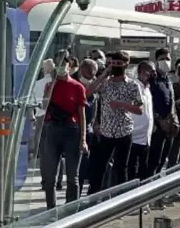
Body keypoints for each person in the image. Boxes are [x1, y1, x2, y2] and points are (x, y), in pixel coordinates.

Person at [88, 51, 143, 194]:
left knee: (121, 168)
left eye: (119, 64)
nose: (115, 67)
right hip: (106, 131)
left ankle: (120, 198)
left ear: (126, 65)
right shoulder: (105, 83)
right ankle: (93, 199)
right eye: (113, 64)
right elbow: (88, 92)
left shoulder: (132, 85)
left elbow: (139, 109)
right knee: (99, 167)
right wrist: (104, 74)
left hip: (123, 130)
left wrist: (122, 104)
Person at [41, 51, 88, 209]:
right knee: (50, 177)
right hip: (52, 128)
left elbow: (82, 115)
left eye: (65, 63)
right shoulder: (50, 85)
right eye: (59, 63)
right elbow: (43, 106)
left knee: (72, 176)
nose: (62, 67)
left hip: (71, 130)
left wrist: (83, 139)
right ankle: (50, 208)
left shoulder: (77, 87)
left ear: (70, 65)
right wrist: (52, 83)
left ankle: (71, 208)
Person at [147, 48, 178, 177]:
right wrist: (159, 119)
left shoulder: (168, 80)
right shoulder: (153, 79)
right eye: (162, 59)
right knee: (153, 161)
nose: (165, 61)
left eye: (168, 59)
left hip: (169, 126)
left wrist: (173, 118)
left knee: (163, 160)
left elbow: (171, 101)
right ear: (156, 61)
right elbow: (149, 102)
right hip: (156, 127)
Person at [72, 59, 98, 195]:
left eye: (94, 75)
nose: (92, 77)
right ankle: (73, 199)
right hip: (74, 129)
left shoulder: (94, 83)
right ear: (81, 70)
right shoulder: (73, 82)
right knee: (77, 169)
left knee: (86, 167)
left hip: (89, 129)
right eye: (89, 74)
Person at [128, 61, 154, 181]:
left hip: (146, 138)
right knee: (131, 169)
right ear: (142, 72)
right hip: (134, 136)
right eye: (151, 71)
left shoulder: (148, 88)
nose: (153, 74)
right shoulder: (134, 86)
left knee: (143, 170)